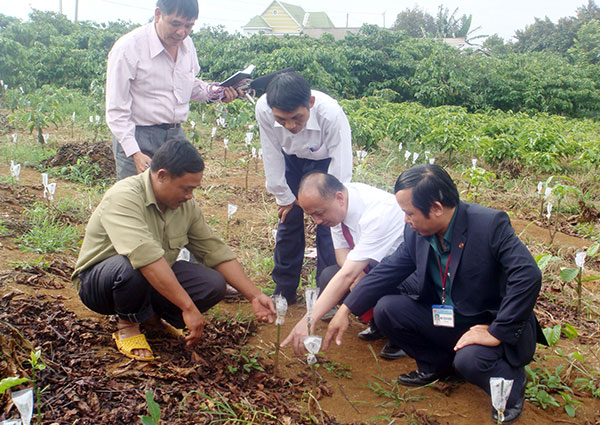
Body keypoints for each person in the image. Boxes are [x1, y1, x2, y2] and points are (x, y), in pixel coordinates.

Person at [323, 164, 546, 424]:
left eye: (409, 213)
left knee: (470, 360)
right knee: (387, 310)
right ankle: (436, 366)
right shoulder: (416, 232)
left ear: (437, 208)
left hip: (486, 320)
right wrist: (347, 309)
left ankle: (511, 381)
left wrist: (496, 331)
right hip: (449, 314)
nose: (405, 220)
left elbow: (528, 275)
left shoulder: (488, 225)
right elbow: (388, 272)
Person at [72, 138, 275, 361]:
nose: (189, 196)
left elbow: (213, 250)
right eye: (186, 188)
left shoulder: (185, 205)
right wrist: (187, 307)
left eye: (193, 189)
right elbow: (145, 257)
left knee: (213, 283)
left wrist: (254, 295)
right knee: (131, 266)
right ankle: (127, 324)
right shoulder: (124, 196)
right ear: (161, 176)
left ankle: (151, 318)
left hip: (148, 277)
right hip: (102, 284)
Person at [106, 0, 239, 180]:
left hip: (175, 136)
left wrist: (217, 93)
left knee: (178, 197)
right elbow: (116, 110)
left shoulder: (187, 45)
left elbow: (189, 86)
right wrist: (134, 152)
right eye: (175, 23)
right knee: (136, 200)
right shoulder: (128, 48)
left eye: (189, 26)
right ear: (158, 14)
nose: (181, 32)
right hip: (138, 136)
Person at [280, 171, 408, 359]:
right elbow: (342, 254)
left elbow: (348, 273)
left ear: (339, 197)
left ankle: (402, 334)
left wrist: (309, 319)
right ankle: (379, 325)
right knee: (330, 275)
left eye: (319, 213)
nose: (317, 221)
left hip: (407, 276)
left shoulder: (377, 212)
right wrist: (358, 275)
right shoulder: (340, 206)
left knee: (367, 289)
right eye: (311, 215)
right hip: (374, 266)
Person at [256, 71, 352, 305]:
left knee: (328, 225)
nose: (289, 125)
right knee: (288, 220)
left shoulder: (331, 114)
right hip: (290, 160)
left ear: (310, 103)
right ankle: (284, 289)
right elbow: (270, 152)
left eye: (297, 118)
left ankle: (327, 292)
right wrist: (283, 196)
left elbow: (341, 164)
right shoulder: (264, 109)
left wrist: (334, 204)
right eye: (282, 120)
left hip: (324, 163)